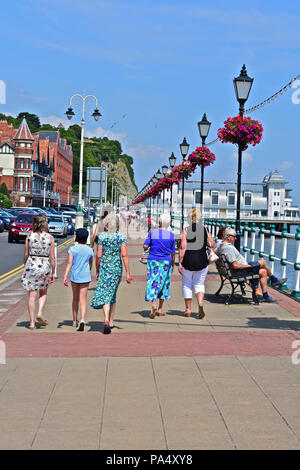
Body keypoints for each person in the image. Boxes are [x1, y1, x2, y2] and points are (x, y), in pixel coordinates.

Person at [216, 227, 287, 302]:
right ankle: (274, 280)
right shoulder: (228, 248)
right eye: (234, 236)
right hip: (240, 271)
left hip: (235, 270)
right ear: (228, 236)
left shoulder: (221, 245)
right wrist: (249, 266)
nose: (235, 238)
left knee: (263, 271)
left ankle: (266, 295)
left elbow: (216, 251)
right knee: (262, 262)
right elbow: (235, 265)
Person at [90, 214, 132, 334]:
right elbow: (124, 254)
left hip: (105, 268)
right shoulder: (121, 237)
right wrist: (128, 273)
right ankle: (110, 321)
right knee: (111, 293)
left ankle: (107, 319)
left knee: (106, 294)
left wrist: (97, 269)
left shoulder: (102, 237)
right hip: (116, 269)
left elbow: (98, 255)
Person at [178, 208, 214, 319]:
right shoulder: (205, 229)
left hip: (188, 260)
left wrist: (180, 262)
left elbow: (183, 247)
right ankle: (200, 304)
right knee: (199, 284)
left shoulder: (186, 230)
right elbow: (212, 244)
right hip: (202, 261)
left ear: (189, 218)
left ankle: (188, 310)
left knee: (187, 284)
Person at [22, 213, 55, 330]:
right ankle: (40, 313)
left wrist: (24, 265)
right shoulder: (50, 238)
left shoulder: (29, 236)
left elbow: (26, 253)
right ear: (44, 224)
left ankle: (31, 323)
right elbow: (52, 257)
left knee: (31, 295)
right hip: (44, 266)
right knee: (43, 292)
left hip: (31, 264)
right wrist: (53, 272)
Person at [144, 214, 175, 318]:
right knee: (164, 283)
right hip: (166, 261)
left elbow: (145, 246)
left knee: (153, 281)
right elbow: (173, 252)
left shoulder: (153, 232)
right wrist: (173, 265)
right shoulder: (171, 235)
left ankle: (153, 304)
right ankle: (160, 309)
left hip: (153, 260)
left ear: (159, 223)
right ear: (169, 223)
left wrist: (148, 246)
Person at [63, 228, 94, 331]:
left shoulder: (72, 249)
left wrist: (65, 276)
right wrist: (89, 269)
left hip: (75, 276)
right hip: (85, 276)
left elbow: (69, 263)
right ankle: (82, 319)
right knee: (83, 299)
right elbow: (90, 263)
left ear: (77, 238)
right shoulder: (89, 250)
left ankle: (74, 320)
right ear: (86, 238)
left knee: (75, 298)